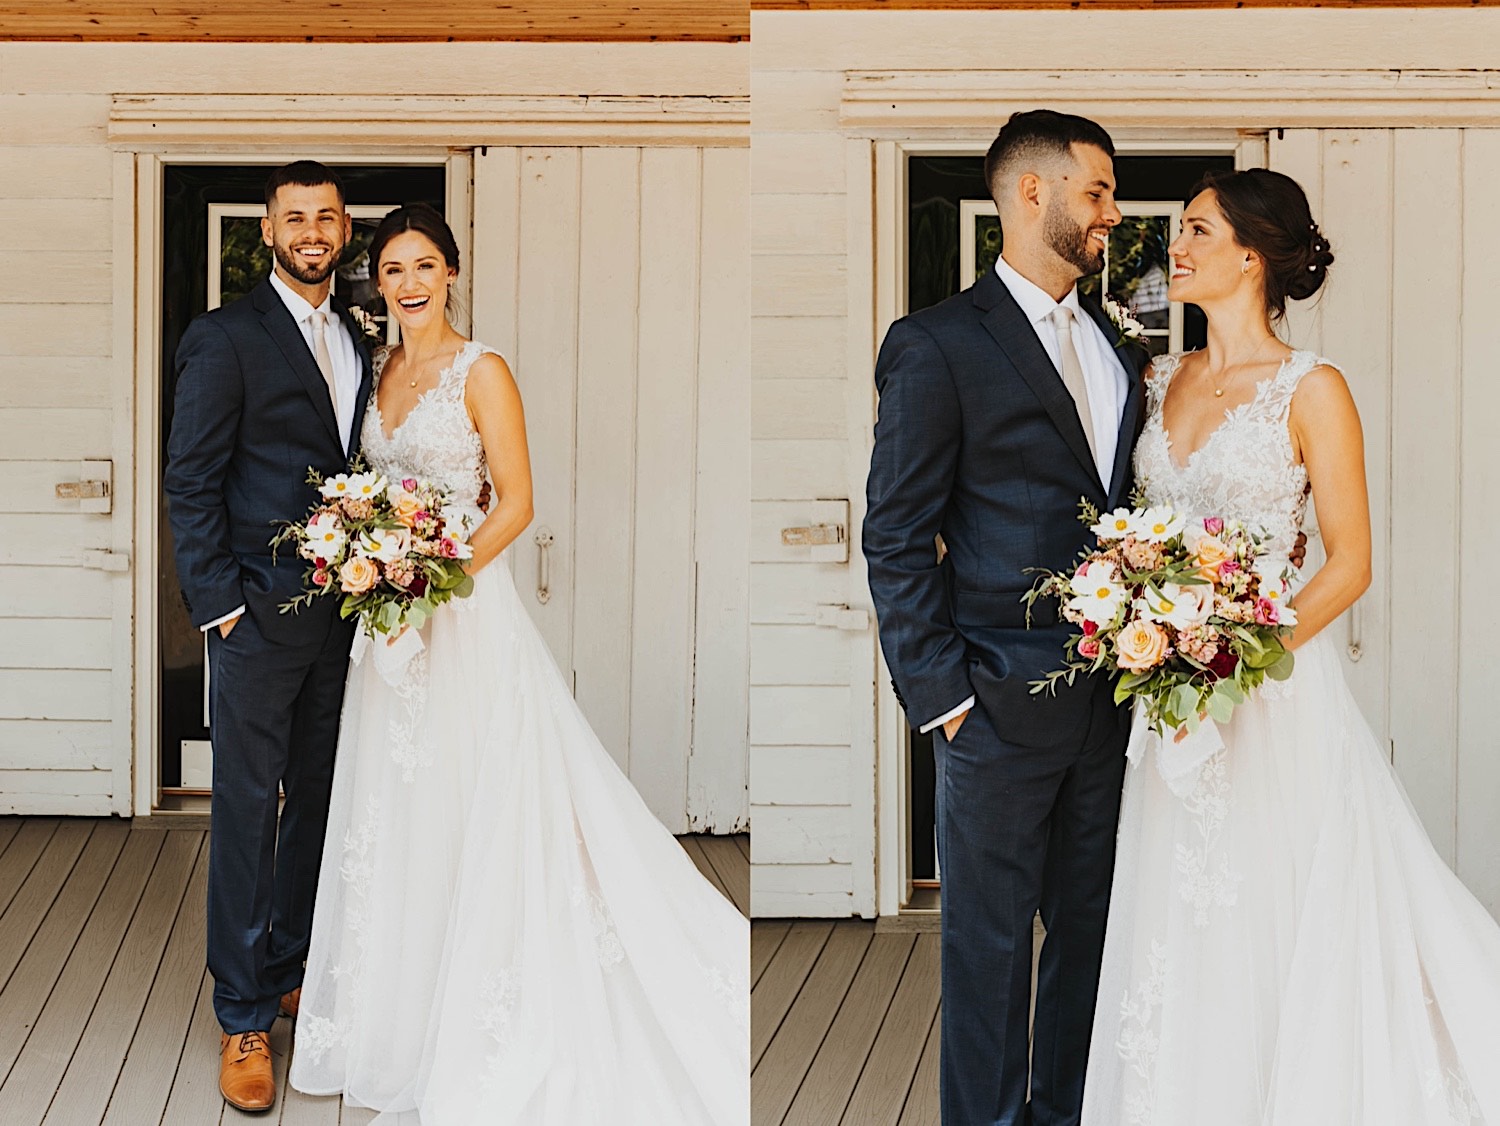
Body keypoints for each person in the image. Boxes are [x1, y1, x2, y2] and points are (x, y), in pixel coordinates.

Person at [285, 203, 749, 1125]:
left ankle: (495, 1006)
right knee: (399, 802)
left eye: (423, 266)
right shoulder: (381, 369)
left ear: (450, 273)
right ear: (376, 285)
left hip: (458, 612)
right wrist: (373, 568)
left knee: (474, 793)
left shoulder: (480, 369)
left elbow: (518, 502)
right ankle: (401, 1010)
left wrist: (427, 575)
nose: (408, 283)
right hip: (389, 625)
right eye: (392, 270)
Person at [1081, 168, 1500, 1124]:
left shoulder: (1314, 390)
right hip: (1168, 704)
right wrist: (1159, 640)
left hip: (1270, 699)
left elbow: (1351, 564)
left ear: (1251, 256)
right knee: (1181, 916)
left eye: (1194, 231)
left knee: (1277, 903)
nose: (1175, 248)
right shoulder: (1158, 379)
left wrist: (1233, 653)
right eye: (1179, 230)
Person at [864, 110, 1150, 1126]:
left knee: (1092, 937)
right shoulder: (936, 344)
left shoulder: (1116, 344)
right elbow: (895, 537)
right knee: (986, 954)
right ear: (1033, 193)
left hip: (1114, 703)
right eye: (1100, 190)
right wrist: (944, 701)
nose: (1112, 212)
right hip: (990, 707)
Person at [165, 161, 372, 1112]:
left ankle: (291, 968)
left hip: (345, 616)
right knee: (248, 808)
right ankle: (244, 1015)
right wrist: (220, 607)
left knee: (321, 800)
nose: (313, 230)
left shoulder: (362, 336)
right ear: (267, 229)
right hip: (253, 618)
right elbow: (192, 480)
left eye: (326, 216)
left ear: (342, 229)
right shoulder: (224, 337)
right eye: (296, 217)